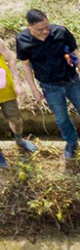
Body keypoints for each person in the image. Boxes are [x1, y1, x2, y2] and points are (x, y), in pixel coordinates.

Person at [15, 9, 80, 162]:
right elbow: (25, 65)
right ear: (29, 26)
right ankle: (71, 142)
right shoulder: (22, 40)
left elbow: (76, 54)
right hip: (50, 86)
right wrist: (34, 89)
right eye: (40, 29)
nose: (45, 31)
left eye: (47, 27)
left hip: (71, 81)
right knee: (61, 118)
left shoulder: (61, 32)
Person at [0, 36, 37, 167]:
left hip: (5, 89)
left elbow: (10, 58)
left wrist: (17, 81)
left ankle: (19, 139)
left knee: (16, 119)